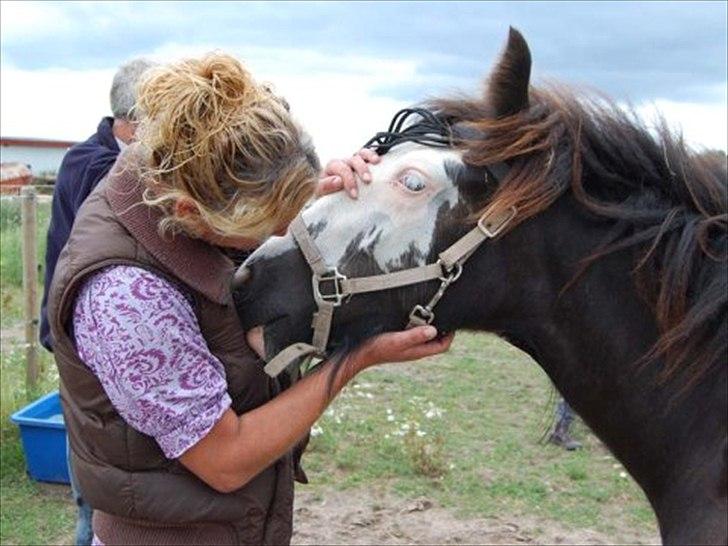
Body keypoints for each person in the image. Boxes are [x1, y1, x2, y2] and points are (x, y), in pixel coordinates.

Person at [47, 53, 453, 546]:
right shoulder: (127, 300)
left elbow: (230, 203)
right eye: (265, 224)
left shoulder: (164, 171)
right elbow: (226, 460)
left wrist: (307, 190)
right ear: (188, 211)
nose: (282, 232)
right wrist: (356, 359)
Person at [37, 58, 155, 546]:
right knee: (99, 457)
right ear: (134, 121)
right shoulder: (96, 164)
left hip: (102, 331)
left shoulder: (104, 154)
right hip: (88, 336)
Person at [40, 57, 156, 352]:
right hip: (79, 326)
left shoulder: (104, 155)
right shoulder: (89, 162)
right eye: (162, 119)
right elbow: (137, 189)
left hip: (103, 321)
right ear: (134, 127)